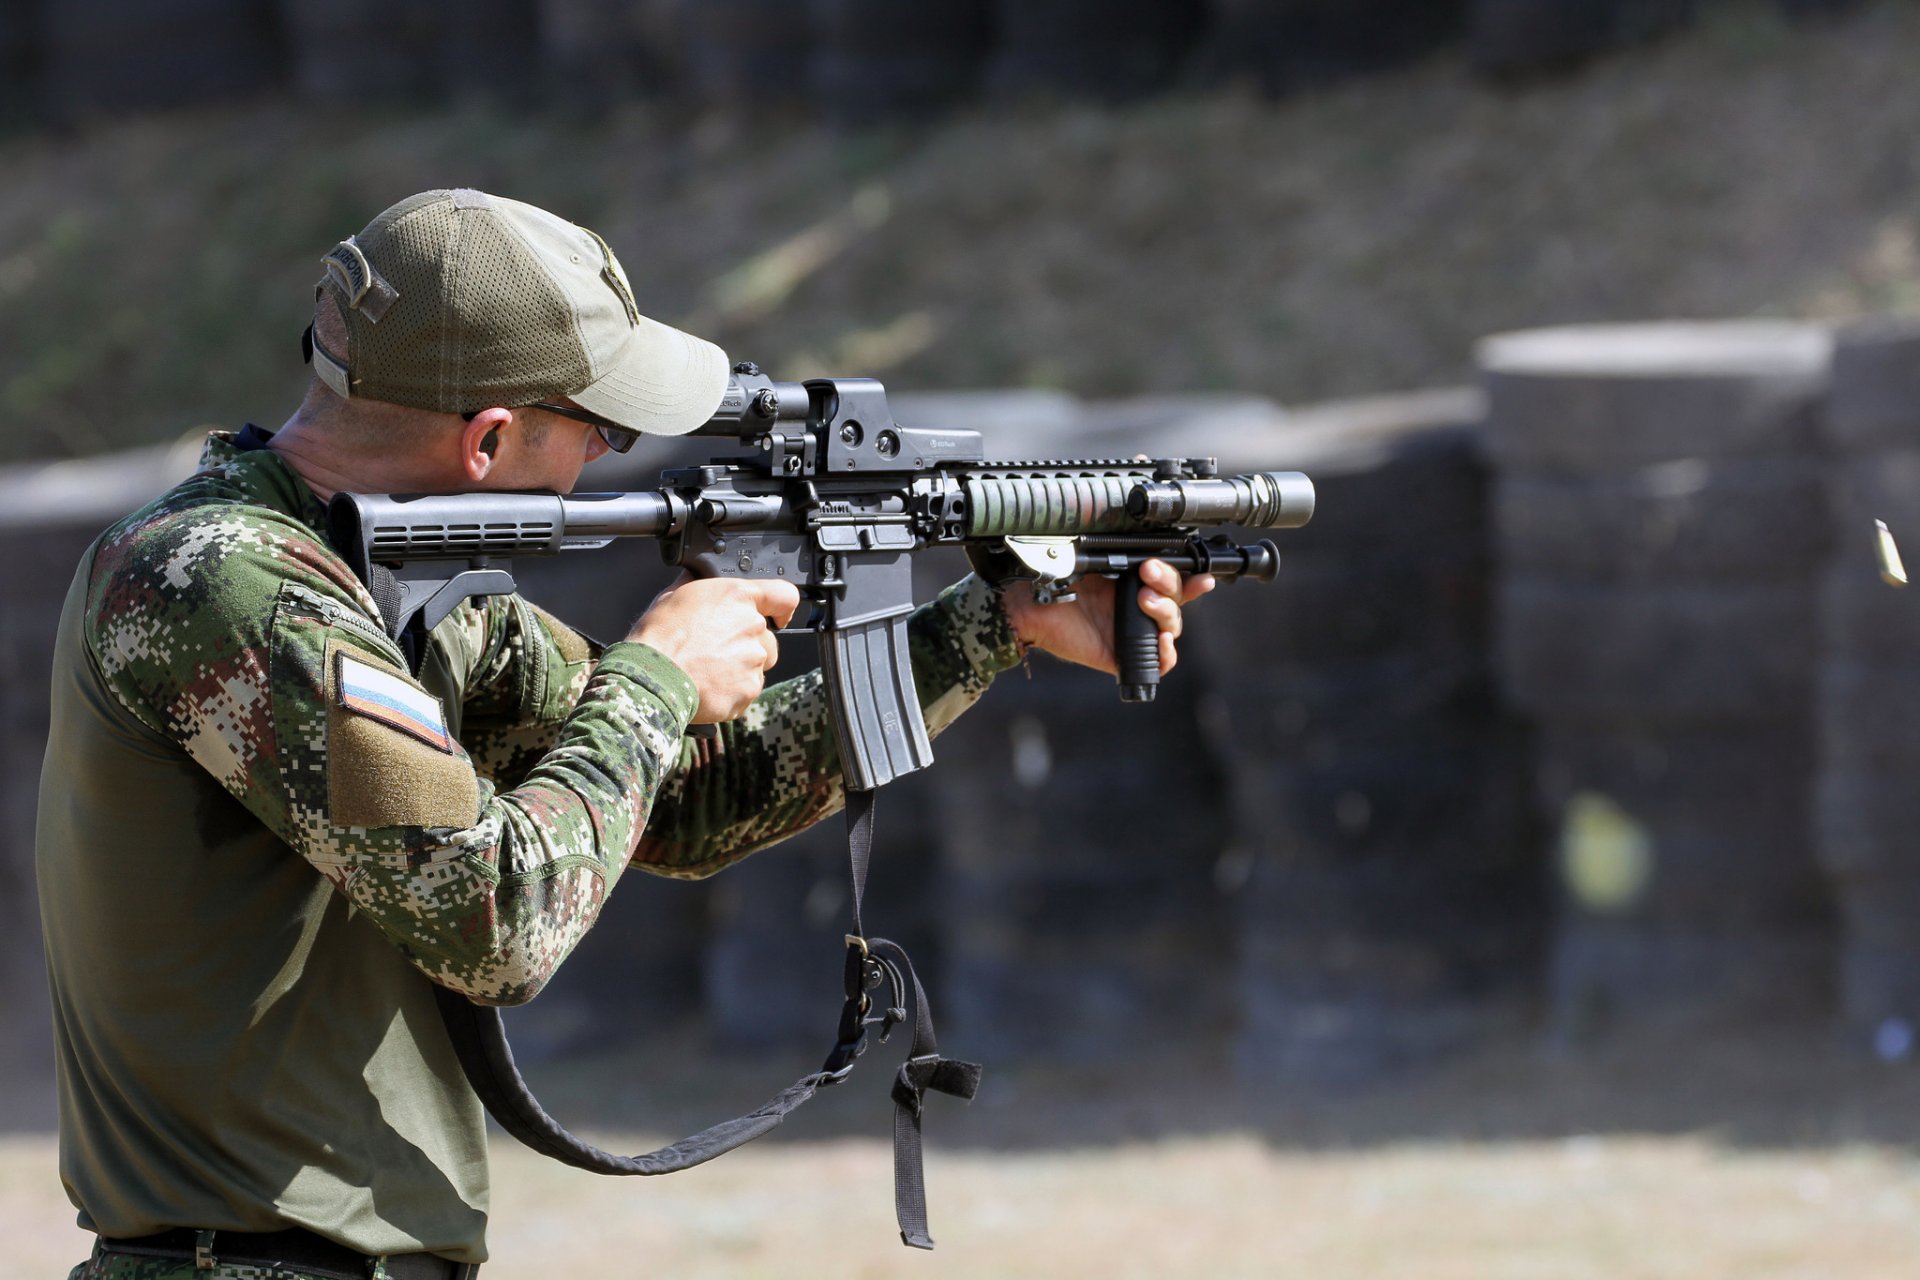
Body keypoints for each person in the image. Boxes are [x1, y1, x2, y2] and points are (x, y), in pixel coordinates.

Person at [37, 189, 1211, 1280]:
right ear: (488, 440)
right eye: (594, 424)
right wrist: (653, 676)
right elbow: (493, 921)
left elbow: (701, 792)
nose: (607, 452)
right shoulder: (224, 583)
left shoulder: (379, 584)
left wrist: (995, 621)